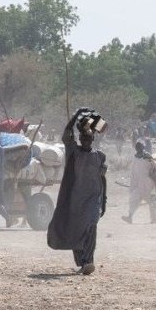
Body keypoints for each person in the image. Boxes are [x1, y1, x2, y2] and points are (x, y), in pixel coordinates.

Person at [47, 108, 107, 275]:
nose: (86, 140)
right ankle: (82, 263)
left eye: (89, 138)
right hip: (75, 200)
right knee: (76, 230)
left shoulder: (100, 156)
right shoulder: (74, 152)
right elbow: (67, 134)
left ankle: (88, 261)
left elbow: (102, 179)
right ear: (80, 139)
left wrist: (104, 201)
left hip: (93, 200)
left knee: (91, 227)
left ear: (93, 139)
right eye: (83, 138)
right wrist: (76, 114)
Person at [122, 141, 156, 224]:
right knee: (133, 199)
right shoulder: (135, 158)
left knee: (152, 201)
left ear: (143, 147)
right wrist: (133, 184)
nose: (138, 148)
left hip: (148, 183)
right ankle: (130, 217)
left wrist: (154, 176)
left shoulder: (147, 156)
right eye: (137, 147)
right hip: (138, 184)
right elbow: (133, 173)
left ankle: (154, 218)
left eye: (140, 147)